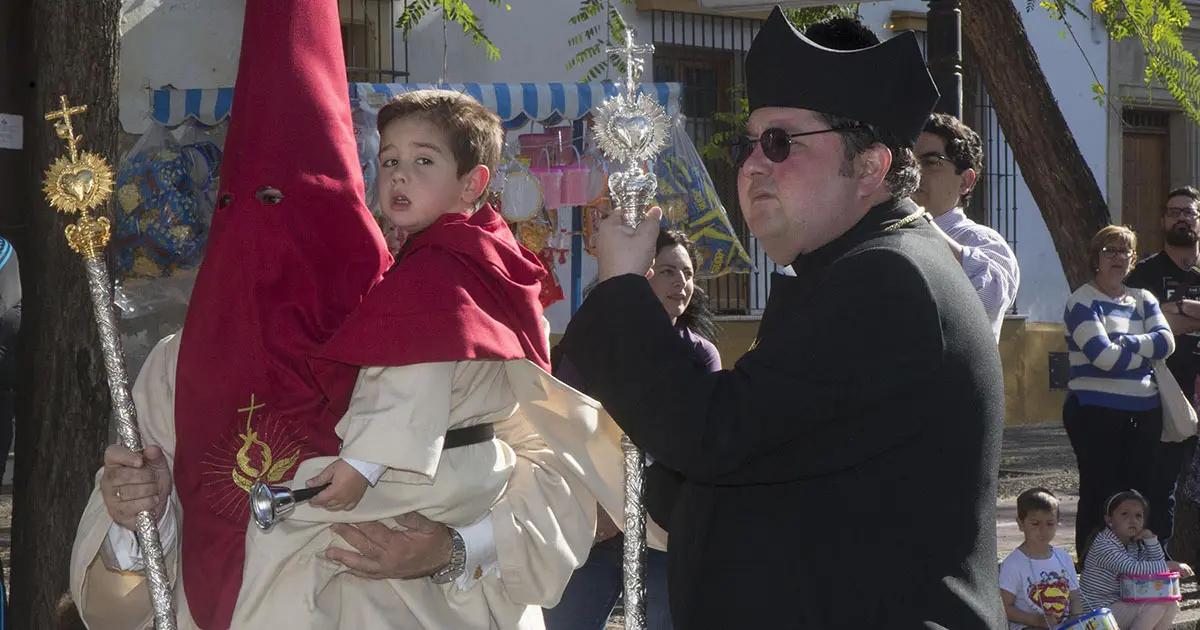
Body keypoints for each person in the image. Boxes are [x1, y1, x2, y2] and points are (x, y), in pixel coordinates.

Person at [68, 0, 620, 627]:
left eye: (286, 204)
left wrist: (452, 549)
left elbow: (561, 480)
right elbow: (113, 602)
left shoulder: (446, 326)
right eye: (236, 206)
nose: (262, 236)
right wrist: (141, 513)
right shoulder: (174, 369)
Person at [554, 8, 1007, 628]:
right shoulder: (854, 269)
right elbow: (765, 459)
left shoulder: (890, 278)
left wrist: (625, 287)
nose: (751, 166)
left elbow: (714, 435)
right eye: (749, 144)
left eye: (780, 143)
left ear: (871, 166)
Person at [545, 230, 721, 630]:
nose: (682, 282)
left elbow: (694, 443)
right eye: (668, 270)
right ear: (640, 275)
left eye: (688, 273)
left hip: (662, 527)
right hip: (594, 525)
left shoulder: (699, 353)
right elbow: (566, 422)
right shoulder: (593, 341)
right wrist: (600, 512)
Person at [1063, 225, 1175, 555]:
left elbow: (1166, 343)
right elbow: (1102, 357)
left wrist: (1125, 342)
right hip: (1095, 413)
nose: (1116, 258)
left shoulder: (1144, 299)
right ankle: (1094, 571)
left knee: (1141, 497)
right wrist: (1144, 352)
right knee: (1101, 494)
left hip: (1145, 413)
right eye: (1108, 251)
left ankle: (1137, 571)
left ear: (1133, 260)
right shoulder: (1082, 301)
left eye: (1124, 252)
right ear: (1095, 258)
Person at [1125, 185, 1200, 560]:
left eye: (1188, 211)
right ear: (1163, 221)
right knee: (1161, 486)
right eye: (1174, 212)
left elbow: (1168, 320)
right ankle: (1155, 562)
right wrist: (1187, 312)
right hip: (1165, 395)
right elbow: (1144, 326)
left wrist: (1178, 309)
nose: (1181, 217)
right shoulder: (1145, 274)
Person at [912, 113, 1020, 342]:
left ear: (965, 182)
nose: (914, 172)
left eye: (931, 163)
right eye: (909, 162)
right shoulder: (885, 231)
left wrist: (920, 223)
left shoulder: (981, 241)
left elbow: (992, 297)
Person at [1079, 490, 1192, 630]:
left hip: (1121, 603)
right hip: (1096, 610)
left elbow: (1154, 569)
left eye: (1138, 515)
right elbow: (1133, 568)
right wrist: (1171, 565)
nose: (1133, 520)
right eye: (1124, 514)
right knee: (1156, 606)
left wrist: (1151, 540)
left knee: (1171, 603)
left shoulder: (1134, 543)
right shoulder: (1104, 543)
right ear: (1109, 519)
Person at [998, 488, 1082, 629]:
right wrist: (1036, 620)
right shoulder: (1013, 564)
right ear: (1020, 523)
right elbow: (1004, 608)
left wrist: (1076, 620)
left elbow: (1075, 598)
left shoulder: (1064, 558)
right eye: (1035, 523)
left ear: (1057, 522)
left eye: (1050, 524)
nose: (1043, 530)